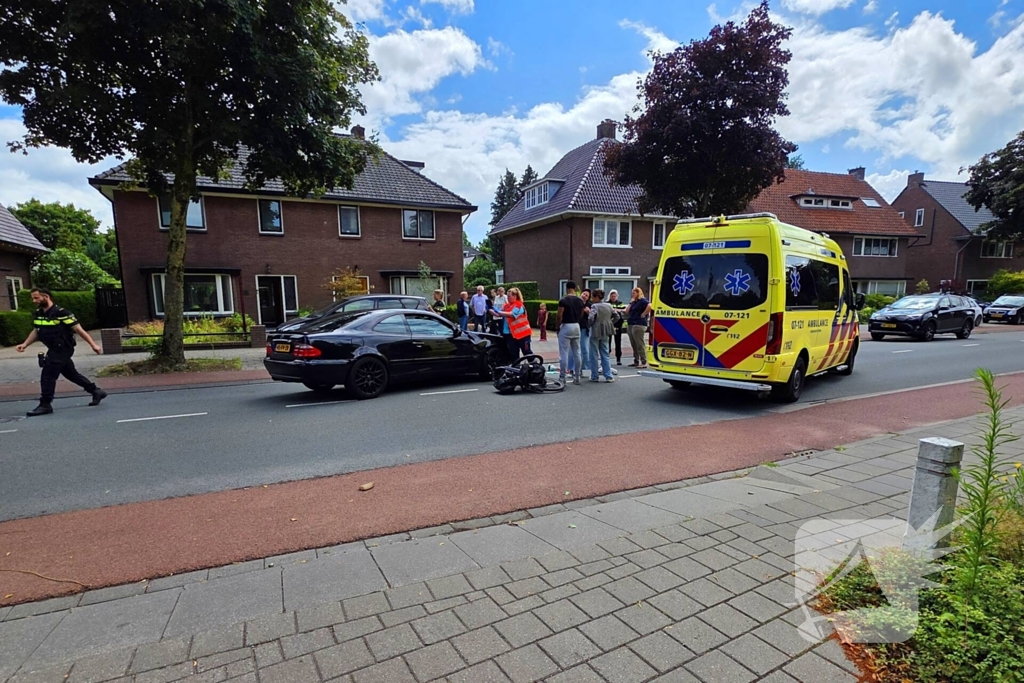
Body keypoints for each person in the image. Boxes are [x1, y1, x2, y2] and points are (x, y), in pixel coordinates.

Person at [15, 287, 107, 416]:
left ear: (46, 297)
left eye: (36, 298)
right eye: (33, 298)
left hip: (63, 348)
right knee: (71, 374)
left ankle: (45, 404)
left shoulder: (62, 313)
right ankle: (96, 391)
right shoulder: (39, 313)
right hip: (53, 348)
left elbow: (79, 330)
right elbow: (37, 330)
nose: (33, 300)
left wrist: (93, 345)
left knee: (47, 375)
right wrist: (25, 344)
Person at [556, 281, 585, 385]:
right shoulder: (580, 300)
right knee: (577, 352)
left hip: (566, 325)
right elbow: (582, 313)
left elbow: (559, 315)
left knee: (564, 353)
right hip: (576, 325)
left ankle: (562, 377)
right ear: (575, 289)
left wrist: (557, 327)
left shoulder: (563, 300)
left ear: (567, 288)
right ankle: (577, 376)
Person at [491, 287, 531, 361]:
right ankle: (516, 368)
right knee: (513, 353)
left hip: (523, 334)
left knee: (527, 352)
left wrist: (498, 312)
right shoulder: (507, 305)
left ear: (515, 296)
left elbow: (512, 315)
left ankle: (535, 367)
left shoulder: (519, 305)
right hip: (511, 334)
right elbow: (497, 314)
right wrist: (490, 308)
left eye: (509, 296)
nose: (507, 298)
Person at [587, 289, 615, 382]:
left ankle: (594, 376)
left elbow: (591, 318)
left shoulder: (594, 306)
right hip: (606, 331)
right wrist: (610, 323)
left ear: (596, 297)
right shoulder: (609, 305)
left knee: (594, 354)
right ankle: (608, 376)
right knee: (605, 353)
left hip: (595, 331)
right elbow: (617, 316)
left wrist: (589, 324)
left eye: (592, 297)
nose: (591, 299)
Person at [627, 286, 652, 369]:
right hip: (631, 323)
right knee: (633, 343)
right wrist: (631, 302)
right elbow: (627, 311)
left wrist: (644, 314)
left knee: (639, 343)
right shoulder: (634, 302)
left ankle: (643, 361)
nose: (632, 295)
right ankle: (636, 360)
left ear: (638, 293)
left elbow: (650, 306)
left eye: (634, 293)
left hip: (639, 323)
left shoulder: (642, 301)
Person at [608, 289, 627, 366]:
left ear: (617, 296)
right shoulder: (607, 303)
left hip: (618, 324)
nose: (613, 298)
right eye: (612, 296)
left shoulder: (620, 303)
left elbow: (625, 310)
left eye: (614, 296)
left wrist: (616, 309)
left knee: (618, 342)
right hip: (609, 324)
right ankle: (607, 358)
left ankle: (618, 358)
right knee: (607, 342)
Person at [578, 289, 592, 374]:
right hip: (576, 327)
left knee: (584, 348)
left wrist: (589, 312)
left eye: (586, 295)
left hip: (584, 328)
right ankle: (576, 368)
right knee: (576, 348)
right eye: (584, 294)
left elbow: (593, 317)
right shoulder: (576, 302)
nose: (584, 296)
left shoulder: (589, 305)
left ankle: (583, 367)